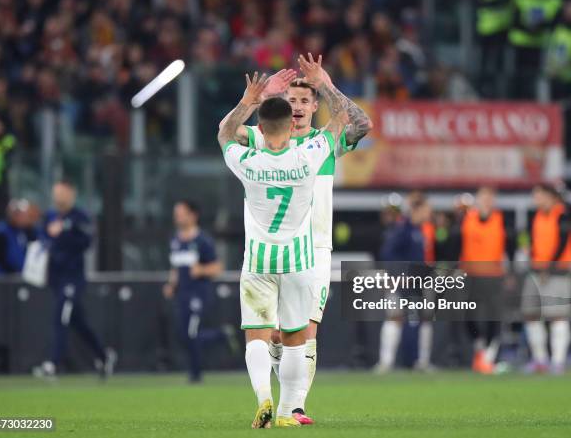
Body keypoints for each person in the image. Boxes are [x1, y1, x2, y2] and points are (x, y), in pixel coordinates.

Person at [220, 66, 372, 424]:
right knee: (278, 335)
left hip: (315, 250)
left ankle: (295, 406)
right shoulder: (268, 138)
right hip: (285, 251)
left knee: (305, 329)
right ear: (284, 109)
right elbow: (232, 130)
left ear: (314, 105)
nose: (300, 105)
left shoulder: (324, 142)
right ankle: (285, 401)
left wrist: (326, 86)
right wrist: (259, 102)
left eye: (306, 99)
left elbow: (362, 126)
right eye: (292, 100)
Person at [33, 180, 116, 379]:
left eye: (61, 193)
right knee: (77, 322)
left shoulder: (80, 217)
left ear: (71, 194)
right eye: (55, 193)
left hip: (73, 277)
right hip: (55, 277)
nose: (58, 197)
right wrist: (50, 237)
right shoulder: (50, 216)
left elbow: (86, 242)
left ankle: (54, 363)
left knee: (61, 316)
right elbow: (41, 238)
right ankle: (103, 356)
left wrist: (64, 234)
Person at [162, 200, 231, 383]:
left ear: (193, 215)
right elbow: (175, 267)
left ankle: (195, 374)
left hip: (198, 295)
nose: (177, 217)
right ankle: (221, 335)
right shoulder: (175, 240)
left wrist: (200, 270)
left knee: (191, 333)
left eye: (181, 213)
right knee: (182, 334)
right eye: (176, 213)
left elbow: (217, 267)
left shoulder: (203, 241)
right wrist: (171, 284)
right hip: (182, 295)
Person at [457, 187, 516, 374]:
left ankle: (489, 357)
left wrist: (511, 272)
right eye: (483, 197)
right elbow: (457, 245)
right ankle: (480, 349)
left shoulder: (502, 220)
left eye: (490, 198)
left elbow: (511, 247)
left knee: (494, 317)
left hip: (494, 275)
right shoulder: (467, 219)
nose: (486, 201)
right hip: (471, 274)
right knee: (469, 317)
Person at [374, 195, 434, 373]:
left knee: (414, 321)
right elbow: (388, 254)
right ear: (417, 210)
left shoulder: (418, 230)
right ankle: (394, 362)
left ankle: (414, 361)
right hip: (403, 283)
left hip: (416, 283)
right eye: (425, 210)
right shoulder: (404, 229)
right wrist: (399, 276)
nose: (428, 214)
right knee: (399, 318)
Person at [521, 184, 571, 375]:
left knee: (557, 315)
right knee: (531, 314)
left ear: (550, 197)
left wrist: (550, 267)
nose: (535, 199)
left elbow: (562, 242)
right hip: (536, 270)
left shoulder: (562, 215)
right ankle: (540, 360)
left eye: (538, 195)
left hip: (557, 273)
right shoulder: (535, 216)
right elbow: (529, 240)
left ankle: (558, 362)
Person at [0, 199, 38, 274]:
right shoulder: (2, 231)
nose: (22, 217)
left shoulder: (26, 230)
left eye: (23, 214)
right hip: (4, 277)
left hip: (21, 276)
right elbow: (0, 257)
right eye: (17, 214)